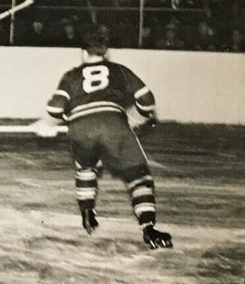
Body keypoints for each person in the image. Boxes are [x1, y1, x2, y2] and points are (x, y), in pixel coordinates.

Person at [45, 27, 172, 249]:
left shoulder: (72, 75)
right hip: (114, 124)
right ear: (106, 52)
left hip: (81, 128)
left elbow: (55, 108)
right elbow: (147, 102)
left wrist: (55, 123)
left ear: (84, 53)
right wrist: (133, 120)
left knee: (85, 168)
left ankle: (87, 213)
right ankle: (149, 228)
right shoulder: (119, 71)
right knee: (139, 178)